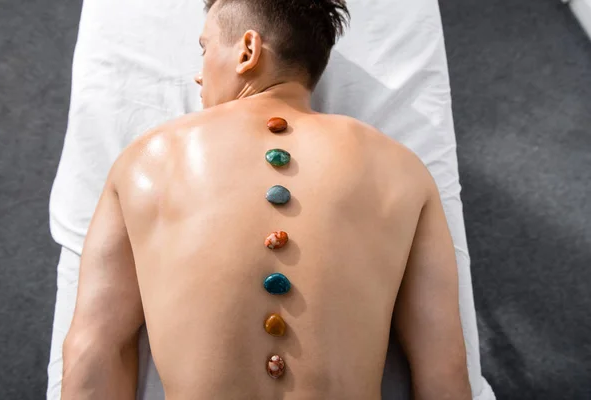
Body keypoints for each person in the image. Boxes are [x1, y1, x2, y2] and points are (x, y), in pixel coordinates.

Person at [60, 0, 471, 399]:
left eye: (204, 49)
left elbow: (96, 349)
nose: (198, 77)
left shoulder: (146, 161)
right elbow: (444, 372)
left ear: (248, 51)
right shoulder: (401, 169)